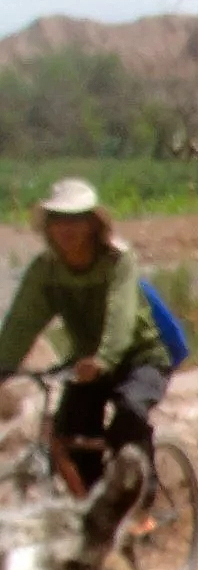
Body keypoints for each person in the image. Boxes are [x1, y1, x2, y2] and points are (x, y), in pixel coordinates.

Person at [0, 178, 171, 496]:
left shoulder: (117, 261)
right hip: (87, 365)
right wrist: (3, 366)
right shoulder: (46, 270)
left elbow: (120, 316)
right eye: (58, 220)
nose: (67, 229)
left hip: (139, 358)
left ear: (93, 224)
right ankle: (97, 513)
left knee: (129, 413)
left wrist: (105, 358)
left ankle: (140, 501)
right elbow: (22, 322)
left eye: (76, 219)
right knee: (69, 435)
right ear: (48, 228)